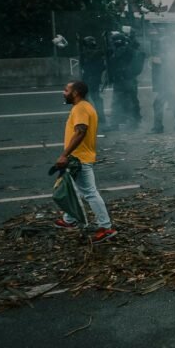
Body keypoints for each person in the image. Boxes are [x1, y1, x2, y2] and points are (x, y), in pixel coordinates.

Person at [53, 81, 117, 242]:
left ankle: (106, 227)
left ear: (75, 93)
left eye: (66, 90)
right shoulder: (85, 106)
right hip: (80, 157)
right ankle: (70, 220)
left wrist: (64, 155)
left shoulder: (80, 108)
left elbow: (81, 132)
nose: (63, 92)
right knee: (77, 189)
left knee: (89, 192)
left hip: (79, 157)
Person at [151, 37, 175, 134]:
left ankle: (158, 128)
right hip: (168, 84)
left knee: (157, 104)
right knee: (173, 103)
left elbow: (164, 71)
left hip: (165, 84)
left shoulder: (165, 56)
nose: (157, 46)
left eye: (161, 44)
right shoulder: (169, 55)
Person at [79, 36, 106, 127]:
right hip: (92, 77)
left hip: (91, 77)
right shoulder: (97, 52)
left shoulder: (91, 53)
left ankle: (95, 116)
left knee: (91, 98)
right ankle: (99, 116)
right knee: (93, 98)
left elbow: (84, 63)